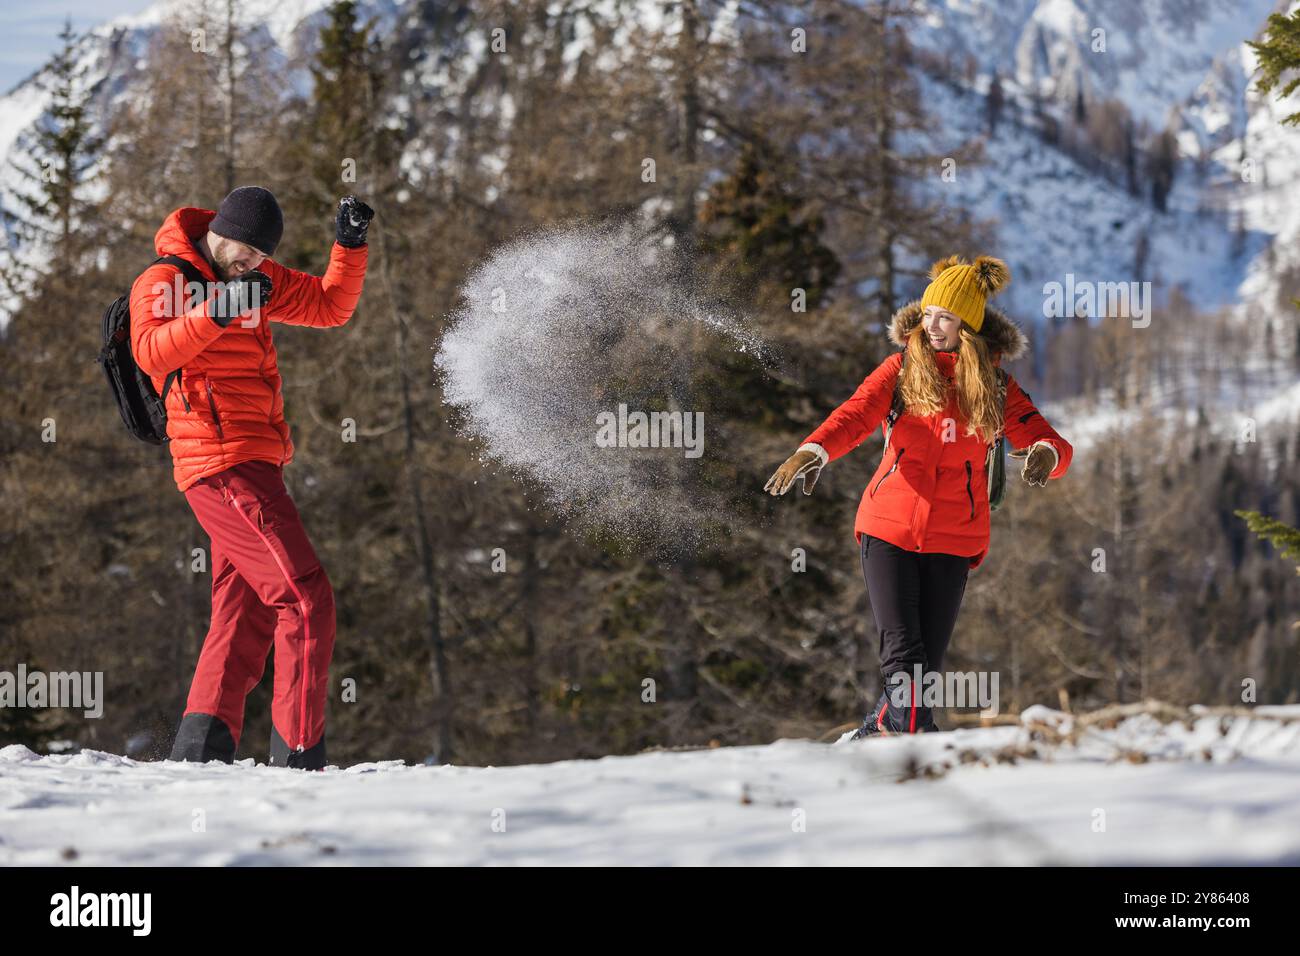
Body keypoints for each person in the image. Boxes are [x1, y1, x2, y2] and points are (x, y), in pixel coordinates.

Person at [764, 255, 1073, 736]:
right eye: (928, 313)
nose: (932, 325)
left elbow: (1047, 438)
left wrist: (1045, 454)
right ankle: (908, 744)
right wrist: (814, 451)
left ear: (967, 326)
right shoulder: (900, 370)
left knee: (923, 673)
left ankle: (888, 732)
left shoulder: (995, 387)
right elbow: (856, 414)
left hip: (953, 540)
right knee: (906, 659)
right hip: (888, 529)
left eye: (945, 317)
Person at [129, 185, 374, 769]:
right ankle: (299, 755)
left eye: (262, 257)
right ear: (220, 230)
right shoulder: (165, 280)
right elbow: (152, 352)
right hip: (220, 464)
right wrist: (217, 308)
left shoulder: (255, 281)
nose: (254, 265)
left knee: (245, 610)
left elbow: (331, 306)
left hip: (257, 462)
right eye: (245, 252)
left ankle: (201, 749)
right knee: (305, 598)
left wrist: (349, 244)